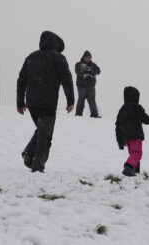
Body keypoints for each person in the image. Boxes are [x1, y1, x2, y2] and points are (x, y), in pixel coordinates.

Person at [16, 31, 75, 173]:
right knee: (45, 134)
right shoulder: (59, 58)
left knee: (42, 130)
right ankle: (37, 165)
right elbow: (67, 79)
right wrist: (70, 100)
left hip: (32, 103)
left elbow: (21, 80)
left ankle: (29, 153)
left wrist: (20, 102)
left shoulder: (31, 57)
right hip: (48, 102)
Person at [116, 86, 149, 176]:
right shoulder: (137, 108)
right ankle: (129, 167)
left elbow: (117, 126)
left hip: (126, 138)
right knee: (137, 153)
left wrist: (119, 141)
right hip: (135, 136)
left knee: (133, 154)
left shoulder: (122, 109)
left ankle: (135, 171)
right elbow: (145, 119)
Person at [75, 50, 101, 118]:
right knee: (81, 99)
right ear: (83, 57)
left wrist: (90, 71)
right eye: (86, 57)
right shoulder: (78, 64)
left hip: (91, 86)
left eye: (89, 57)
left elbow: (98, 71)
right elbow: (78, 71)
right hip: (81, 86)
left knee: (92, 100)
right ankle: (78, 115)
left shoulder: (93, 65)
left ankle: (95, 114)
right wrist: (87, 72)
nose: (88, 58)